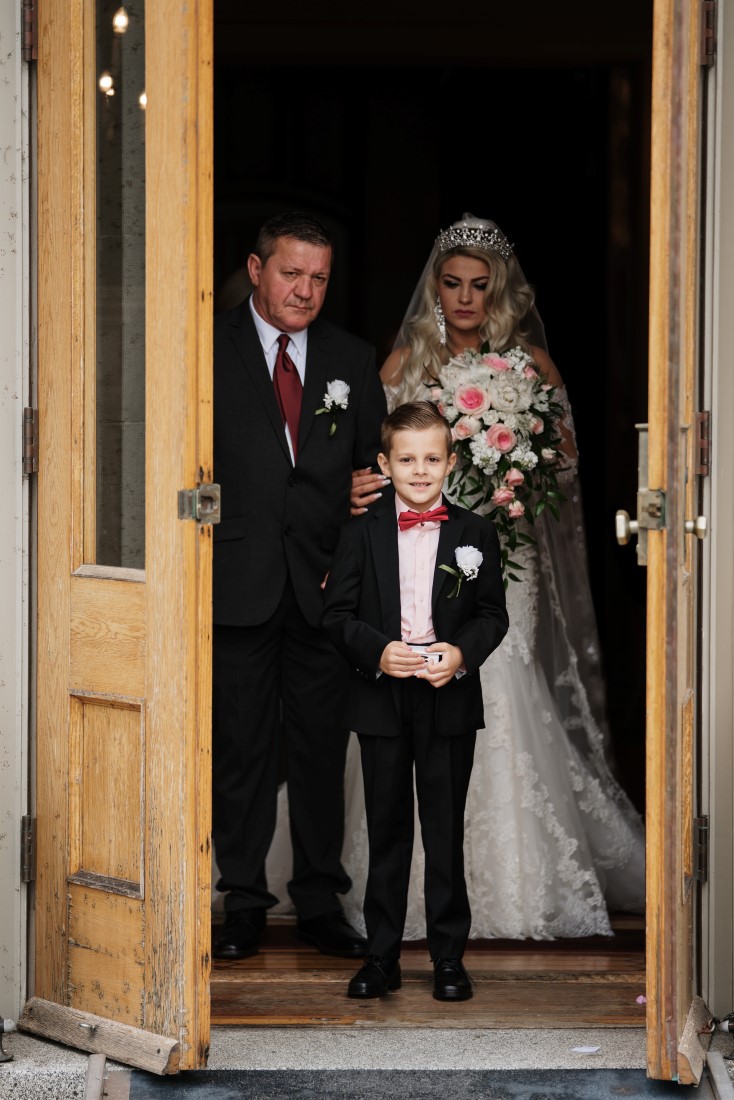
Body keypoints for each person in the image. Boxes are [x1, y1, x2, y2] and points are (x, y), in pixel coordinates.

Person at [344, 213, 646, 940]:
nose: (465, 298)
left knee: (501, 681)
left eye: (479, 286)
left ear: (499, 290)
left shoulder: (531, 364)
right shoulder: (405, 362)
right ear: (435, 287)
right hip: (419, 555)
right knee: (412, 684)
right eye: (452, 284)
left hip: (504, 550)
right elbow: (375, 461)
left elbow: (566, 464)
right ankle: (404, 891)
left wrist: (514, 457)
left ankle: (515, 881)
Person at [211, 211, 387, 960]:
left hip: (323, 586)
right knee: (241, 752)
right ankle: (244, 902)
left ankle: (319, 902)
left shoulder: (352, 357)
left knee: (320, 751)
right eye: (291, 273)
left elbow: (374, 476)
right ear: (256, 270)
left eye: (319, 278)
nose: (305, 291)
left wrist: (343, 558)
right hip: (236, 582)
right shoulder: (205, 348)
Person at [321, 401, 509, 999]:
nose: (420, 471)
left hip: (446, 698)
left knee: (444, 830)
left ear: (450, 463)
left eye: (431, 459)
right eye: (407, 460)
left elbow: (492, 615)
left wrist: (460, 654)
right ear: (385, 464)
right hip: (381, 698)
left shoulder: (475, 533)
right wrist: (377, 652)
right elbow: (336, 615)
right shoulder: (360, 532)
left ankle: (448, 958)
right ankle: (381, 956)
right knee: (388, 830)